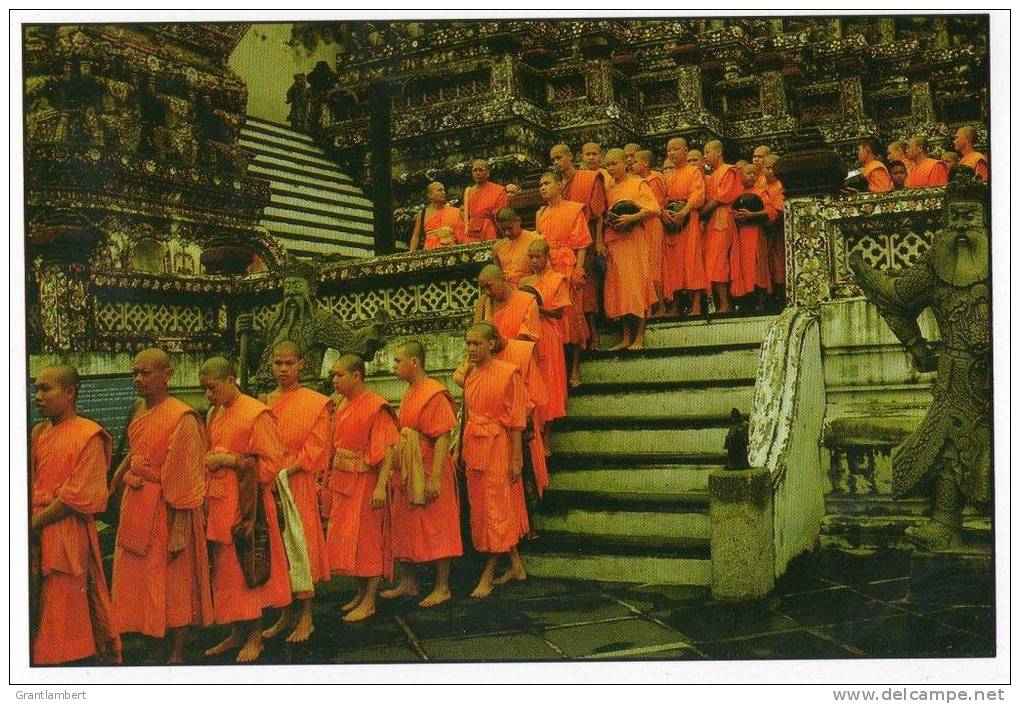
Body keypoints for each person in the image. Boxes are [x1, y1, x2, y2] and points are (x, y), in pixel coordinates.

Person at [110, 348, 212, 664]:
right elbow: (134, 449)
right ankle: (152, 645)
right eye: (135, 373)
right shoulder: (140, 408)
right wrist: (114, 482)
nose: (138, 379)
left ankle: (177, 652)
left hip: (172, 510)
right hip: (138, 505)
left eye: (146, 373)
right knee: (140, 581)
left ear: (166, 375)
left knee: (175, 582)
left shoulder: (182, 417)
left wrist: (180, 531)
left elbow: (185, 475)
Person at [199, 357, 291, 662]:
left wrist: (230, 461)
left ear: (231, 379)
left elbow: (271, 465)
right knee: (226, 571)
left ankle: (255, 637)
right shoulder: (215, 413)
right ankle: (238, 631)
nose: (208, 395)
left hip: (248, 506)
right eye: (204, 389)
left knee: (247, 567)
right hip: (219, 504)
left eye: (212, 388)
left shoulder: (256, 413)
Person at [31, 364, 121, 665]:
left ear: (69, 393)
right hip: (37, 524)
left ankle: (66, 666)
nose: (38, 396)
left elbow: (76, 496)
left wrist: (34, 523)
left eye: (46, 389)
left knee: (63, 603)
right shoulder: (39, 432)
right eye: (36, 389)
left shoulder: (89, 435)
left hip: (65, 528)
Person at [258, 341, 331, 643]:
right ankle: (285, 614)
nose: (282, 370)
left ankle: (307, 617)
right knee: (278, 548)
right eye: (277, 364)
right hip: (269, 481)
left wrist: (285, 473)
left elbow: (315, 449)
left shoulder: (315, 402)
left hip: (295, 481)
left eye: (288, 363)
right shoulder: (264, 402)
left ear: (301, 364)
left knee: (302, 545)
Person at [380, 341, 462, 608]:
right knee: (406, 522)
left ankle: (443, 587)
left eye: (398, 361)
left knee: (439, 524)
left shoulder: (433, 392)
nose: (393, 366)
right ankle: (408, 583)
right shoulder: (411, 390)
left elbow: (441, 437)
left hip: (431, 465)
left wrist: (435, 477)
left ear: (414, 362)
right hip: (411, 466)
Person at [456, 323, 528, 598]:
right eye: (468, 344)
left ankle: (487, 574)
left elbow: (517, 423)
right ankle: (516, 565)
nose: (472, 349)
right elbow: (467, 413)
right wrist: (460, 449)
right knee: (483, 508)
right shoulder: (472, 374)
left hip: (499, 447)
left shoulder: (508, 374)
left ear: (490, 344)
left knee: (496, 509)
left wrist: (516, 459)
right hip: (474, 447)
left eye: (477, 344)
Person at [325, 354, 399, 623]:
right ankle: (360, 592)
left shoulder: (376, 406)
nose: (334, 380)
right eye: (334, 375)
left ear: (357, 376)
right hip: (345, 480)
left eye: (339, 375)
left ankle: (370, 600)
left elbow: (387, 450)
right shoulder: (342, 403)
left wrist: (380, 487)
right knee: (348, 540)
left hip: (367, 481)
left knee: (366, 541)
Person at [535, 166, 593, 385]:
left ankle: (575, 369)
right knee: (552, 319)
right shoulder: (542, 213)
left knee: (572, 316)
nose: (543, 188)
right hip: (548, 269)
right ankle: (558, 371)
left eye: (547, 183)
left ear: (560, 185)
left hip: (568, 266)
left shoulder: (574, 209)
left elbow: (582, 243)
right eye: (540, 185)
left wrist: (579, 268)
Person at [601, 147, 659, 349]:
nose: (610, 168)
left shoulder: (637, 183)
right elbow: (604, 215)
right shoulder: (608, 189)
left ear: (625, 163)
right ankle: (626, 337)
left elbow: (654, 209)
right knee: (620, 289)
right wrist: (613, 220)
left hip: (634, 241)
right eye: (607, 164)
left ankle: (639, 338)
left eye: (614, 163)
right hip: (616, 241)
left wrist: (631, 218)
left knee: (636, 287)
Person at [519, 239, 571, 432]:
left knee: (548, 382)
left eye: (537, 256)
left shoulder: (557, 278)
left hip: (548, 334)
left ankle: (547, 436)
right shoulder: (523, 282)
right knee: (530, 382)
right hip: (528, 334)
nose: (533, 260)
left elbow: (559, 313)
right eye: (530, 256)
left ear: (547, 257)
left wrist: (537, 308)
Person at [664, 137, 708, 317]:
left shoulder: (694, 171)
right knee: (674, 263)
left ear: (685, 150)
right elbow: (664, 198)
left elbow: (698, 194)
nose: (672, 153)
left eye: (676, 149)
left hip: (689, 220)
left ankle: (696, 304)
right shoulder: (669, 177)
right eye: (669, 150)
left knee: (692, 260)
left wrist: (685, 211)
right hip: (674, 224)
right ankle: (675, 304)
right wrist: (665, 213)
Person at [701, 140, 743, 314]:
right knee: (710, 261)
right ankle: (717, 304)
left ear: (718, 152)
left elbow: (721, 197)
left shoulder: (728, 170)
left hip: (722, 218)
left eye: (707, 152)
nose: (705, 156)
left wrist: (703, 212)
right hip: (712, 221)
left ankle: (725, 304)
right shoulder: (712, 175)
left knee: (719, 261)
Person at [731, 163, 773, 312]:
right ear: (741, 174)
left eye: (754, 174)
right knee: (741, 267)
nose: (751, 176)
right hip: (739, 234)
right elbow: (730, 210)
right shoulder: (736, 192)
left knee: (756, 267)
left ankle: (760, 303)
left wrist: (752, 215)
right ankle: (744, 302)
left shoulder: (761, 191)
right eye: (748, 173)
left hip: (755, 232)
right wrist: (735, 215)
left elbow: (770, 211)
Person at [632, 150, 668, 316]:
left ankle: (660, 307)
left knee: (654, 267)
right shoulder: (636, 182)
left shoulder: (653, 180)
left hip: (652, 224)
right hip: (641, 225)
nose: (632, 165)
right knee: (643, 267)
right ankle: (649, 307)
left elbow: (658, 206)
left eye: (635, 162)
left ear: (645, 163)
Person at [474, 264, 542, 343]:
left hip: (518, 353)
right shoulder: (485, 303)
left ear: (503, 279)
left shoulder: (527, 301)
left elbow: (526, 340)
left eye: (489, 286)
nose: (487, 292)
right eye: (483, 288)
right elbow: (476, 337)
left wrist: (499, 344)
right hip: (492, 354)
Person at [491, 207, 543, 288]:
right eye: (503, 230)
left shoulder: (535, 240)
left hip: (529, 287)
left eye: (510, 228)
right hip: (506, 290)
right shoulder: (497, 247)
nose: (507, 233)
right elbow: (498, 276)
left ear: (518, 221)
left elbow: (543, 273)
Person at [760, 155, 787, 307]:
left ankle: (780, 295)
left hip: (778, 230)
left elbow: (778, 208)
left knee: (779, 263)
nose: (769, 171)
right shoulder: (760, 184)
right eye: (767, 168)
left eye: (772, 168)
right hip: (764, 230)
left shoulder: (781, 185)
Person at [409, 182, 465, 252]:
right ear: (430, 195)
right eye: (439, 190)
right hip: (429, 252)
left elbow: (463, 233)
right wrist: (411, 254)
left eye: (444, 190)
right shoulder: (422, 214)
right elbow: (415, 237)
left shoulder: (456, 211)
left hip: (452, 251)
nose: (443, 192)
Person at [463, 159, 509, 242]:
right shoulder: (469, 192)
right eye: (475, 170)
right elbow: (466, 217)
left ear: (488, 173)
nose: (477, 173)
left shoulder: (498, 190)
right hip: (471, 231)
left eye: (481, 170)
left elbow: (500, 215)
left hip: (488, 229)